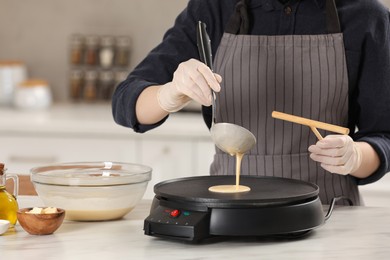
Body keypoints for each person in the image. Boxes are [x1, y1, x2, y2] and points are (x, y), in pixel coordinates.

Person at [112, 0, 390, 206]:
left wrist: (355, 157)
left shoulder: (366, 17)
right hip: (227, 212)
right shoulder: (213, 9)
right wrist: (167, 94)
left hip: (329, 212)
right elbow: (127, 103)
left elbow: (384, 136)